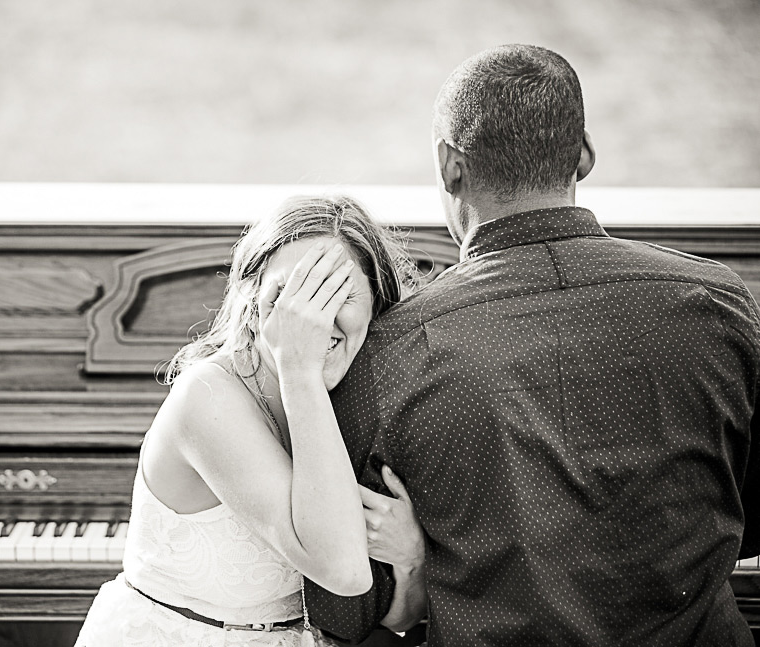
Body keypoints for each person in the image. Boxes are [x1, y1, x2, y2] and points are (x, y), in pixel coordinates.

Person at [304, 44, 760, 646]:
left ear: (449, 166)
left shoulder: (391, 353)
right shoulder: (719, 304)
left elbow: (349, 608)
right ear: (586, 154)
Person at [74, 195, 425, 647]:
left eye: (335, 292)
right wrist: (299, 367)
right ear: (251, 299)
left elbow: (399, 619)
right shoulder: (207, 396)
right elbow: (344, 571)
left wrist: (411, 557)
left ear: (376, 305)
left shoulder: (354, 400)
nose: (311, 318)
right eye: (289, 295)